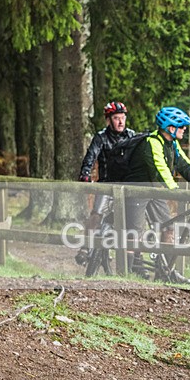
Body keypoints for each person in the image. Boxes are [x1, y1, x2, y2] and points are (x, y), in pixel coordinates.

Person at [123, 106, 190, 283]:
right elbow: (160, 169)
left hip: (155, 191)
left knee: (169, 228)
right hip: (137, 190)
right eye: (182, 126)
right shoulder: (152, 142)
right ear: (171, 128)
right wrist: (174, 190)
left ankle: (165, 273)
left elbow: (185, 166)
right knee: (135, 233)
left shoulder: (172, 144)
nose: (184, 129)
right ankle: (124, 273)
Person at [76, 101, 135, 265]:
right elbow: (91, 156)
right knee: (97, 214)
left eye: (123, 118)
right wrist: (85, 173)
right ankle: (85, 247)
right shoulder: (101, 137)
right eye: (116, 118)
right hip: (107, 184)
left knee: (134, 219)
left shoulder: (131, 136)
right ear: (109, 120)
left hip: (128, 186)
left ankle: (135, 261)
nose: (121, 122)